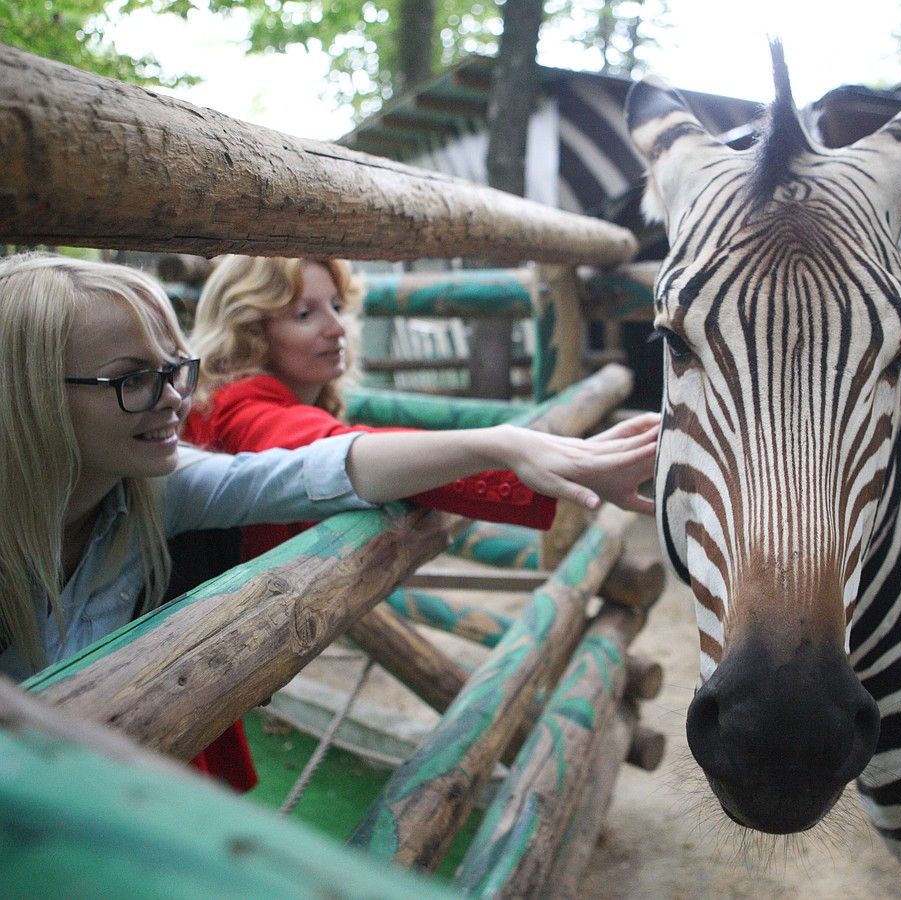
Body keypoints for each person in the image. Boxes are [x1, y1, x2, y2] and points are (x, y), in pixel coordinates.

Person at [0, 253, 658, 787]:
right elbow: (306, 449)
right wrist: (508, 455)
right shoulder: (243, 409)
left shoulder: (157, 482)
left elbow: (331, 464)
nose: (173, 397)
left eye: (174, 370)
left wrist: (505, 444)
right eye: (133, 377)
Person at [185, 256, 610, 559]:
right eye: (303, 314)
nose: (336, 327)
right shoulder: (236, 408)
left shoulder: (244, 399)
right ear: (251, 329)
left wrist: (567, 464)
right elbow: (340, 455)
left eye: (336, 306)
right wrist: (507, 447)